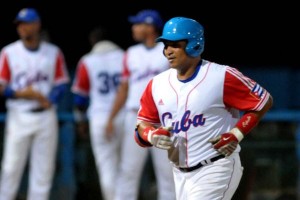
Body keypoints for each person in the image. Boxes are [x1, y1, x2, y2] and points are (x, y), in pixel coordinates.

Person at [134, 16, 273, 200]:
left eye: (175, 44)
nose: (168, 51)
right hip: (179, 173)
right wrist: (151, 135)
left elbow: (263, 101)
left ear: (194, 44)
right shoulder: (157, 84)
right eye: (165, 45)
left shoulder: (221, 76)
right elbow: (142, 124)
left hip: (216, 167)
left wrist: (237, 133)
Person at [105, 9, 176, 200]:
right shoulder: (131, 53)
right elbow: (124, 88)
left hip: (163, 118)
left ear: (150, 26)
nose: (134, 28)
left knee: (167, 173)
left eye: (138, 24)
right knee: (128, 170)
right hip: (135, 116)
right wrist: (111, 117)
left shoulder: (168, 50)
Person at [0, 8, 70, 200]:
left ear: (37, 25)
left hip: (45, 116)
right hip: (19, 115)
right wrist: (22, 94)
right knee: (10, 169)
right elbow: (1, 86)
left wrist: (51, 99)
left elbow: (62, 82)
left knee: (43, 172)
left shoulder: (53, 52)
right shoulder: (9, 52)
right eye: (19, 24)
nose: (22, 28)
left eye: (26, 23)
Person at [71, 26, 125, 200]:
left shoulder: (88, 60)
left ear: (93, 41)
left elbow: (80, 99)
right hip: (126, 117)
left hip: (100, 117)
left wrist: (80, 122)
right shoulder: (125, 57)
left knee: (107, 168)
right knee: (128, 168)